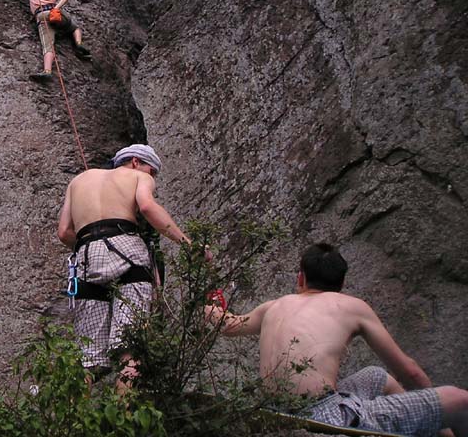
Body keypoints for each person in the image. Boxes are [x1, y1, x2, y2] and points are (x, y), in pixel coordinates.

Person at [204, 242, 468, 437]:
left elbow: (226, 324)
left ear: (301, 277)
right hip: (326, 419)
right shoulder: (351, 306)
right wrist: (442, 423)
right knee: (459, 400)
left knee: (376, 375)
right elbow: (410, 372)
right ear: (342, 284)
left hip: (273, 414)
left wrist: (207, 293)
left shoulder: (274, 305)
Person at [57, 144, 191, 391]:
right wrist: (188, 244)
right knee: (130, 350)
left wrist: (93, 245)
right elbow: (148, 207)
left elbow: (64, 232)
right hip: (127, 250)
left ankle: (73, 424)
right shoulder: (139, 176)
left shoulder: (77, 182)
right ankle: (124, 421)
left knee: (87, 360)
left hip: (87, 254)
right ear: (135, 162)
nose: (152, 178)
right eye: (152, 172)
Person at [10, 0, 91, 82]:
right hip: (55, 14)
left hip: (41, 15)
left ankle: (47, 71)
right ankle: (78, 44)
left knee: (48, 45)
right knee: (74, 27)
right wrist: (56, 8)